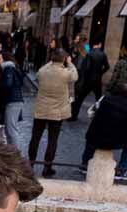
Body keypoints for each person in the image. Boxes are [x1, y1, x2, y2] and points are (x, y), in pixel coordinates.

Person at [30, 48, 76, 177]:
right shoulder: (66, 73)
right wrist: (70, 62)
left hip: (41, 110)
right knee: (52, 140)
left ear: (51, 59)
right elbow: (75, 75)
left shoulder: (43, 71)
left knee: (35, 138)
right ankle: (47, 167)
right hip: (57, 113)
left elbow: (39, 73)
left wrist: (51, 62)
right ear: (64, 59)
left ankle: (30, 164)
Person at [81, 83, 127, 180]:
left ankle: (85, 164)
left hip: (96, 136)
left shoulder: (104, 99)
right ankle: (122, 170)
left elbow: (90, 113)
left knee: (92, 132)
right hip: (116, 141)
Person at [70, 39, 109, 121]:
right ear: (100, 44)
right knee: (98, 100)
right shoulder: (103, 54)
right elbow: (107, 67)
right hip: (97, 80)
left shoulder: (89, 54)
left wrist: (85, 77)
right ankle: (99, 118)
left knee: (80, 99)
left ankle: (74, 115)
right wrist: (100, 73)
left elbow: (85, 68)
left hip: (88, 80)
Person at [0, 50, 27, 155]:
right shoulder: (12, 68)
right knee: (9, 129)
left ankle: (16, 155)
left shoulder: (8, 68)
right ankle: (12, 153)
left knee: (11, 130)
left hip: (13, 101)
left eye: (0, 59)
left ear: (5, 59)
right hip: (15, 101)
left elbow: (7, 84)